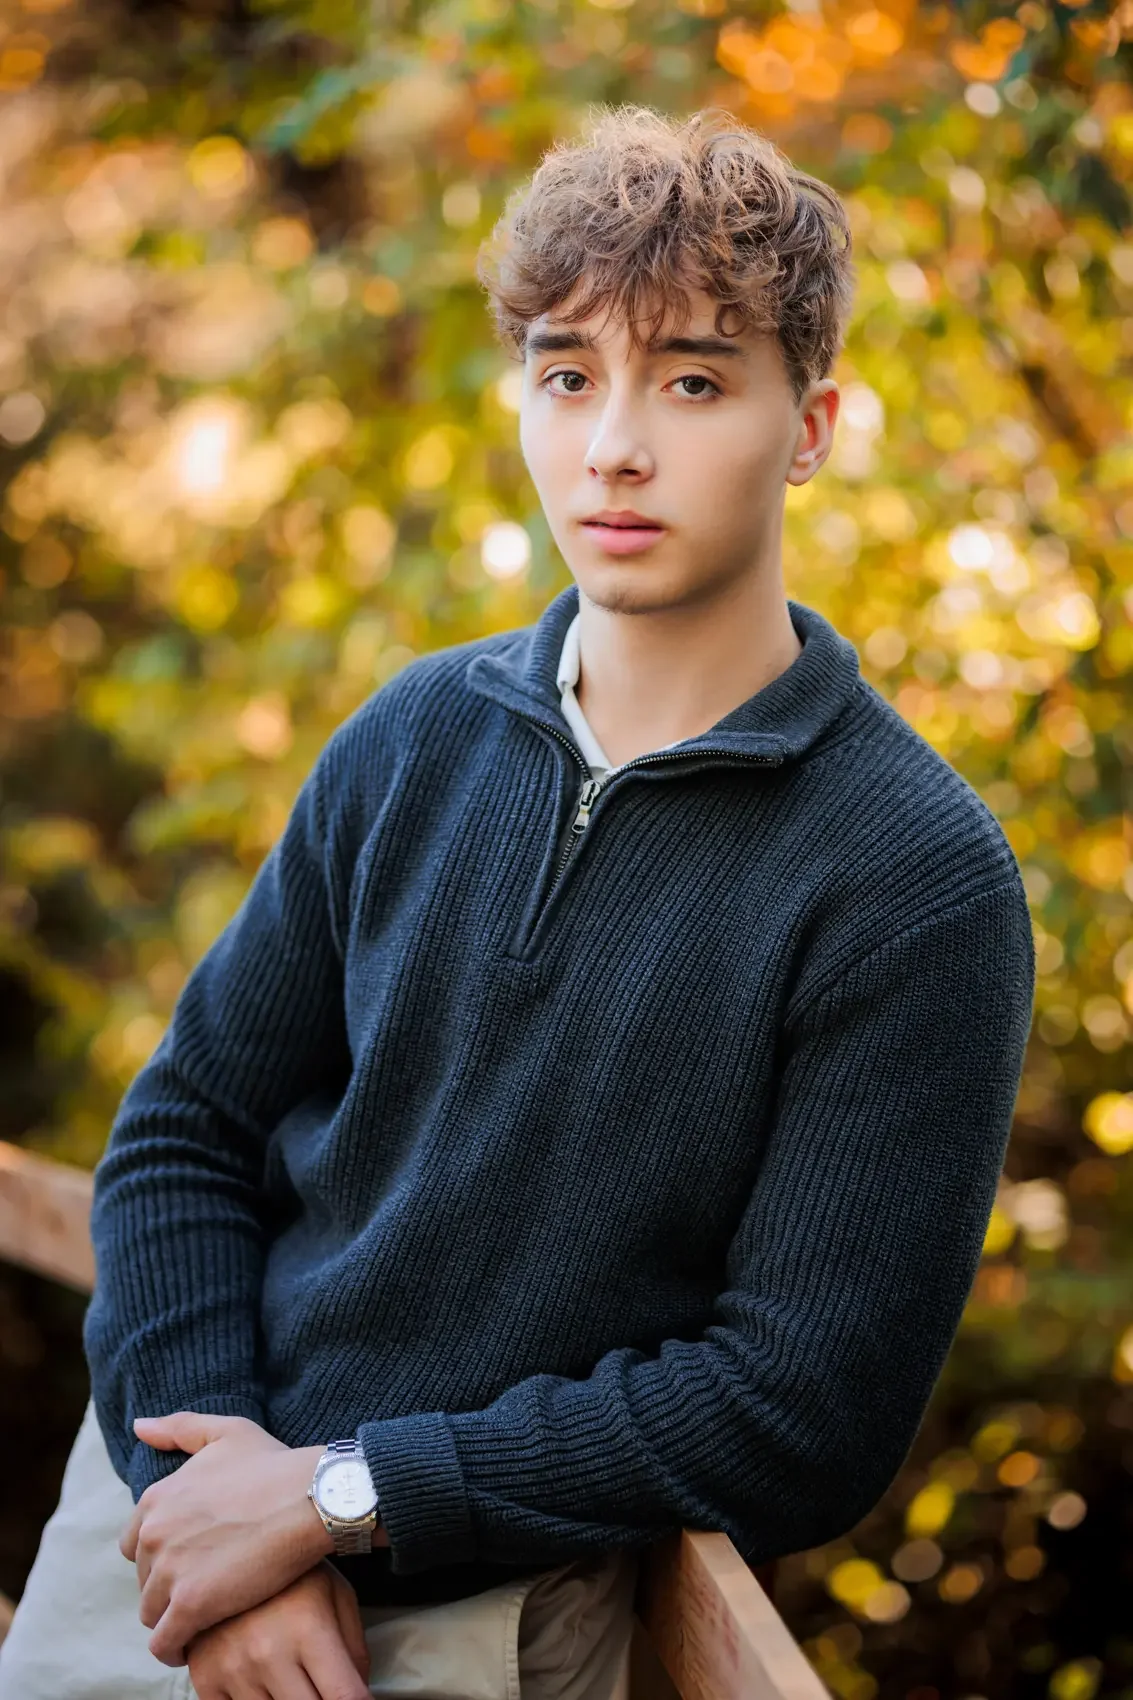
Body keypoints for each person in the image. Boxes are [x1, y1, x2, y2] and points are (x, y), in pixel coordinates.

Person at [0, 102, 1036, 1700]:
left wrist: (341, 1503)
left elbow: (799, 1407)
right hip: (155, 1542)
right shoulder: (413, 737)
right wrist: (212, 1501)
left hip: (471, 1618)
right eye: (569, 375)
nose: (614, 442)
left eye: (692, 380)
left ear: (813, 425)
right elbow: (183, 1129)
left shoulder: (913, 881)